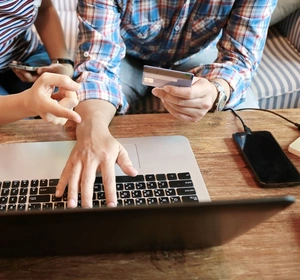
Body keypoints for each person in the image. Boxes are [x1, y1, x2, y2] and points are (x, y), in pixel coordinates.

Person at [55, 0, 278, 208]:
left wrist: (215, 90)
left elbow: (239, 59)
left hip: (193, 57)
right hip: (125, 56)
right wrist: (93, 128)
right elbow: (98, 65)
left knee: (246, 116)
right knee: (81, 120)